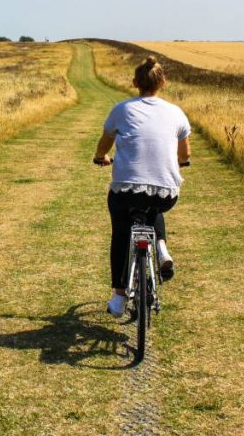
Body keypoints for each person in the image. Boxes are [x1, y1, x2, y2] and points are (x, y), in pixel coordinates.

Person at [93, 55, 192, 318]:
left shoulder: (122, 109)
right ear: (163, 82)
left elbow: (104, 143)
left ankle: (118, 297)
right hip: (165, 192)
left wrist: (101, 156)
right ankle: (160, 246)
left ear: (135, 82)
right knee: (153, 203)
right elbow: (184, 155)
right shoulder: (176, 112)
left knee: (121, 232)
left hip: (126, 189)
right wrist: (181, 163)